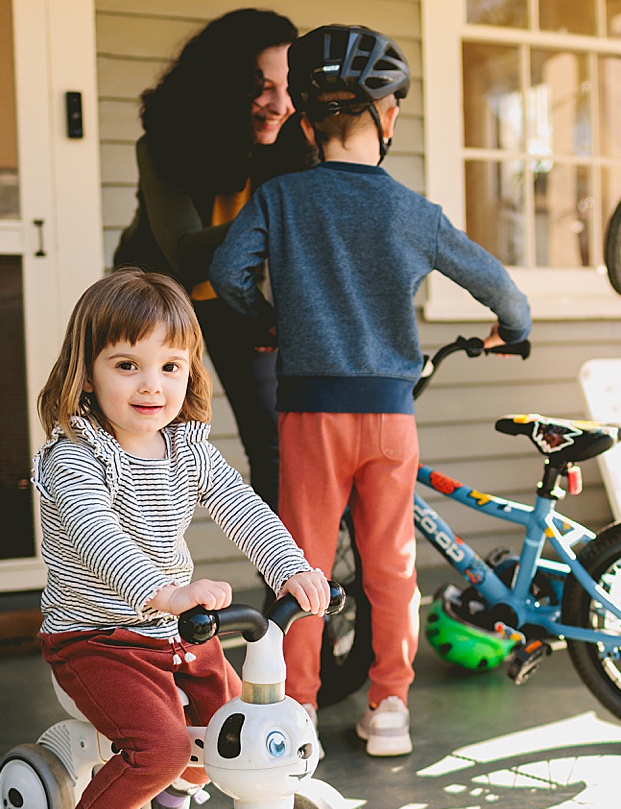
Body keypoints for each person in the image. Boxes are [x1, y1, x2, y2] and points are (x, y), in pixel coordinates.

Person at [210, 24, 531, 756]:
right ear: (388, 117)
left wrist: (267, 322)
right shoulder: (415, 213)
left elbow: (230, 272)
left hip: (309, 416)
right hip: (391, 418)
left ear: (305, 118)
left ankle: (295, 718)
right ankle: (389, 708)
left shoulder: (283, 198)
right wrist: (512, 330)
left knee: (303, 564)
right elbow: (506, 296)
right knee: (390, 567)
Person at [25, 267, 329, 809]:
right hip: (95, 638)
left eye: (170, 365)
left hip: (176, 632)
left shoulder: (187, 446)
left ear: (192, 372)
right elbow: (98, 535)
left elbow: (239, 505)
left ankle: (177, 786)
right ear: (88, 370)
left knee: (231, 725)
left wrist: (289, 567)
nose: (151, 385)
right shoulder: (75, 456)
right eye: (127, 364)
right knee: (161, 744)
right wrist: (162, 592)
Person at [112, 8, 311, 511]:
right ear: (223, 86)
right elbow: (186, 253)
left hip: (232, 298)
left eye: (289, 88)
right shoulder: (163, 144)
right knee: (144, 444)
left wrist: (275, 315)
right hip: (157, 302)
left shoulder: (291, 146)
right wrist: (278, 210)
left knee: (276, 446)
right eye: (262, 87)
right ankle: (139, 580)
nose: (280, 104)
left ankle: (284, 584)